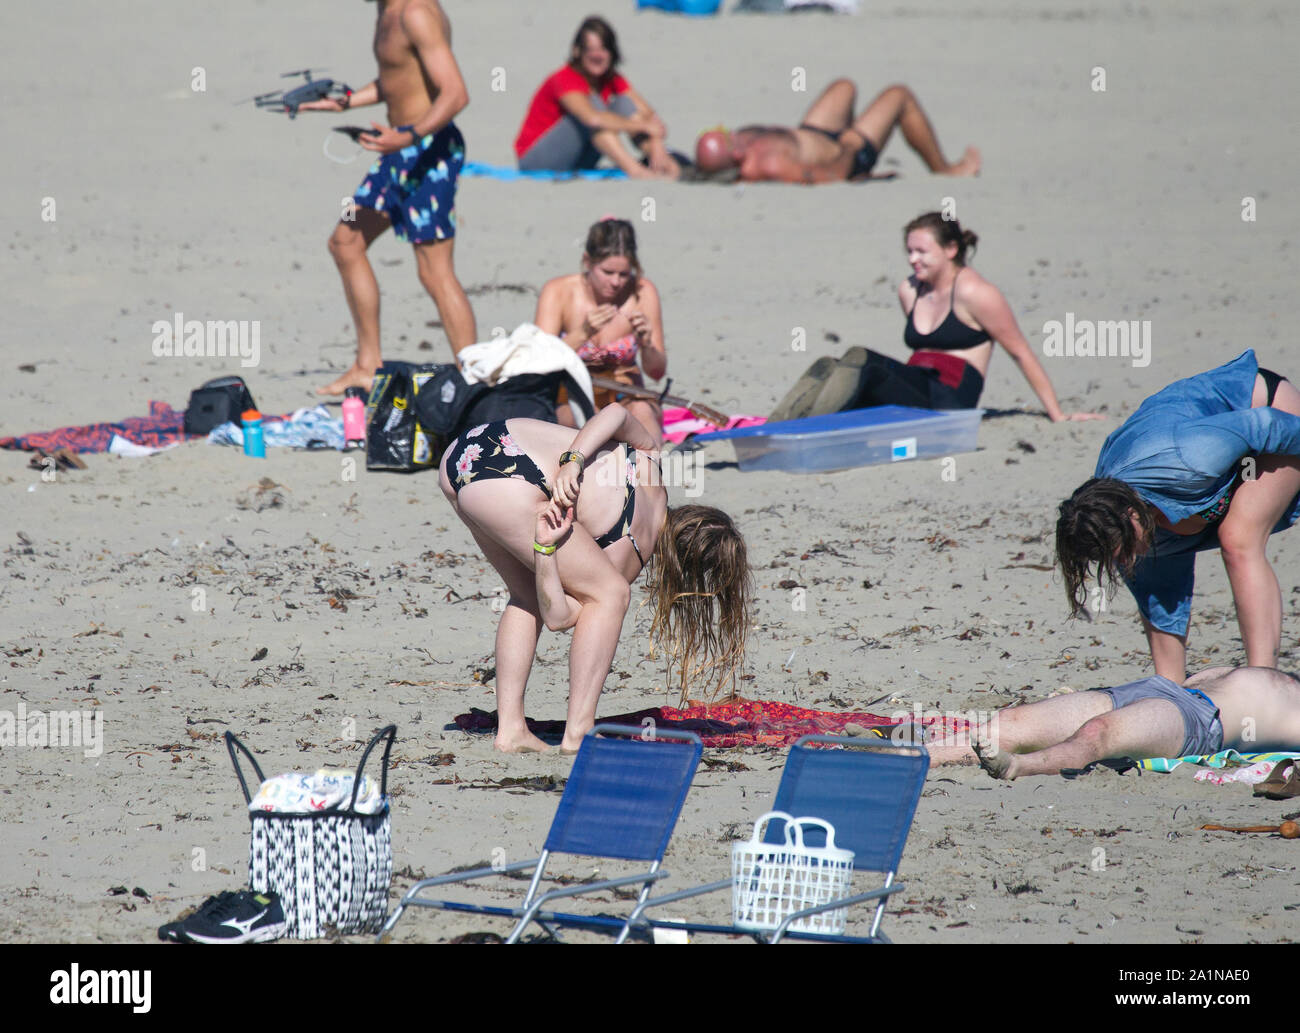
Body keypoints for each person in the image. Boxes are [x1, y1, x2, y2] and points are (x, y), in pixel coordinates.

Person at [438, 404, 751, 753]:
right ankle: (579, 731)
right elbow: (561, 617)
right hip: (503, 487)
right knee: (610, 594)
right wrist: (545, 552)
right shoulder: (629, 550)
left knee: (525, 596)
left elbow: (618, 412)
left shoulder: (650, 459)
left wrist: (574, 458)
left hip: (470, 449)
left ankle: (511, 729)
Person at [1057, 351, 1300, 683]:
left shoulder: (1188, 459)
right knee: (1155, 575)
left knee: (1238, 538)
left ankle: (1263, 682)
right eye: (1118, 556)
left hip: (1267, 413)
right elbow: (1161, 602)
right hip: (1200, 476)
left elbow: (1266, 426)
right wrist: (1169, 692)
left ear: (1132, 512)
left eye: (1125, 549)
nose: (1127, 559)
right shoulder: (1111, 526)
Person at [298, 0, 477, 395]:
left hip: (427, 149)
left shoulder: (416, 13)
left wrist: (410, 135)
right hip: (395, 150)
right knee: (345, 242)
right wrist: (344, 101)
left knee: (434, 270)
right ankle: (367, 364)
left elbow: (456, 93)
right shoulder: (386, 10)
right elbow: (398, 79)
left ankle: (475, 378)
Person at [770, 213, 1104, 421]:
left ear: (950, 250)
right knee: (830, 363)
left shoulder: (977, 293)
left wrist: (1057, 413)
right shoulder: (910, 289)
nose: (913, 259)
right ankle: (776, 425)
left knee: (860, 357)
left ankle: (807, 428)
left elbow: (1019, 351)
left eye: (921, 251)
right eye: (909, 251)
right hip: (917, 387)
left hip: (950, 398)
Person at [922, 666, 1300, 780]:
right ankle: (914, 756)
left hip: (1197, 720)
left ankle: (1018, 766)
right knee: (1011, 721)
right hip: (1157, 690)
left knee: (1097, 734)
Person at [693, 78, 979, 185]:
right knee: (899, 95)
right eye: (723, 134)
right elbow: (827, 177)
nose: (724, 129)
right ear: (737, 154)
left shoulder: (742, 146)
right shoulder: (770, 165)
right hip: (846, 152)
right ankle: (943, 169)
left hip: (814, 134)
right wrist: (852, 150)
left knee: (844, 87)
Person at [534, 218, 666, 443]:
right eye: (607, 272)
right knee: (588, 420)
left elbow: (656, 372)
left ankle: (653, 472)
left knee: (643, 415)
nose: (616, 282)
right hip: (573, 393)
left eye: (624, 274)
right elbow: (537, 364)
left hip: (626, 391)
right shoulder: (559, 291)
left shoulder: (642, 292)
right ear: (587, 261)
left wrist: (646, 343)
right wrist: (582, 334)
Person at [514, 17, 679, 179]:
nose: (597, 55)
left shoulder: (611, 79)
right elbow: (591, 118)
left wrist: (656, 143)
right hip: (535, 161)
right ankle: (634, 170)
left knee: (624, 103)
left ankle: (666, 165)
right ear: (577, 51)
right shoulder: (565, 78)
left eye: (603, 49)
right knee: (594, 109)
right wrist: (642, 126)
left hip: (577, 160)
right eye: (590, 50)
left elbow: (648, 113)